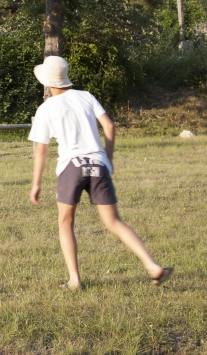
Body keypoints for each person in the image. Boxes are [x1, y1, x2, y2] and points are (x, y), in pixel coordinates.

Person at [28, 56, 172, 289]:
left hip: (71, 166)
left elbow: (41, 150)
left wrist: (36, 183)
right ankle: (153, 266)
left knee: (65, 222)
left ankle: (75, 280)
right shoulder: (86, 96)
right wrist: (109, 159)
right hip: (98, 164)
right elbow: (109, 126)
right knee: (113, 221)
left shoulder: (46, 108)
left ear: (47, 82)